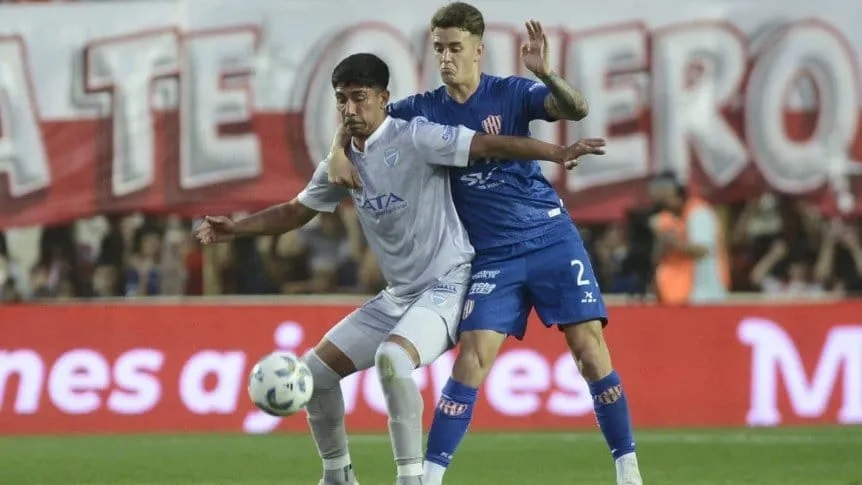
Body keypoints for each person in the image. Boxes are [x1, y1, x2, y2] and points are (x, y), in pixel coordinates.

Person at [194, 52, 605, 485]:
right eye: (342, 100)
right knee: (314, 375)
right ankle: (337, 475)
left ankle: (411, 478)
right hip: (399, 295)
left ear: (383, 98)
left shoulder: (416, 137)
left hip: (449, 284)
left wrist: (556, 152)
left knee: (392, 359)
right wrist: (236, 229)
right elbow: (296, 212)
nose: (350, 109)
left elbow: (488, 144)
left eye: (359, 97)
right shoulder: (341, 162)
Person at [327, 4, 642, 484]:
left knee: (589, 351)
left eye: (455, 48)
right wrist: (336, 151)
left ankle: (628, 470)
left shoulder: (510, 93)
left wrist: (547, 74)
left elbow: (575, 108)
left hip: (549, 237)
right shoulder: (422, 110)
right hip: (491, 255)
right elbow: (361, 113)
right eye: (439, 48)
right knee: (471, 361)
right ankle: (428, 478)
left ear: (478, 49)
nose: (446, 58)